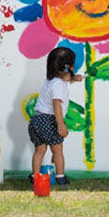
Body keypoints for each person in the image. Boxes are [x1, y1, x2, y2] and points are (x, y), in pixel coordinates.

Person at [28, 46, 83, 186]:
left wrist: (74, 79)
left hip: (37, 119)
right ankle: (60, 176)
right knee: (57, 150)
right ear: (68, 67)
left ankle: (35, 176)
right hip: (49, 120)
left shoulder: (51, 80)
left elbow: (64, 78)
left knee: (40, 150)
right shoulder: (59, 85)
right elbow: (56, 104)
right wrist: (60, 124)